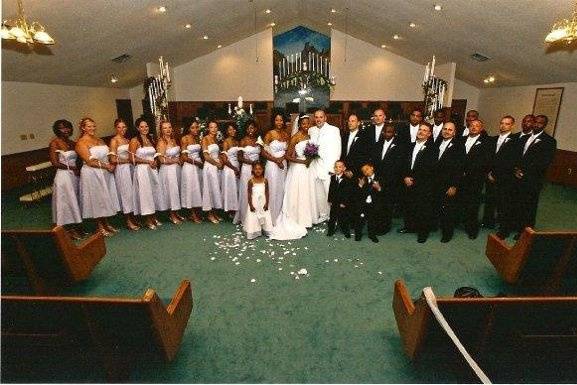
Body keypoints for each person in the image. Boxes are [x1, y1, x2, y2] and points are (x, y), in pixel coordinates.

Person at [499, 114, 557, 239]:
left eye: (540, 123)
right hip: (516, 178)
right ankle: (505, 229)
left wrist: (524, 172)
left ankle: (523, 233)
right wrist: (515, 169)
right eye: (535, 122)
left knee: (527, 207)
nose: (536, 124)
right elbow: (515, 156)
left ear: (544, 125)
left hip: (532, 180)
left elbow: (544, 162)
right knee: (511, 204)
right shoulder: (523, 138)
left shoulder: (549, 141)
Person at [269, 114, 314, 240]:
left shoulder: (309, 136)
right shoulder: (295, 137)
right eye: (303, 123)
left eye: (308, 123)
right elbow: (288, 156)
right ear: (299, 124)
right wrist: (302, 161)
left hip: (308, 168)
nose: (306, 125)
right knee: (296, 192)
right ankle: (295, 217)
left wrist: (310, 158)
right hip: (298, 168)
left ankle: (305, 218)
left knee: (305, 192)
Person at [75, 117, 120, 236]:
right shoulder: (81, 143)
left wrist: (112, 163)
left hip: (104, 172)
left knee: (104, 197)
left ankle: (106, 223)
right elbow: (89, 161)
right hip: (92, 173)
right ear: (83, 128)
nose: (92, 128)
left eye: (93, 126)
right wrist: (107, 166)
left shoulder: (99, 140)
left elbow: (109, 153)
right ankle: (99, 226)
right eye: (89, 126)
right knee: (96, 199)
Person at [399, 123, 439, 243]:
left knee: (423, 209)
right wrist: (405, 176)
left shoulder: (433, 148)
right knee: (409, 205)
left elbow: (429, 168)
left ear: (429, 134)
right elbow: (403, 163)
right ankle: (409, 227)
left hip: (423, 183)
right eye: (420, 129)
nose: (421, 132)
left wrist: (414, 179)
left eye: (424, 130)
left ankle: (423, 233)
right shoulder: (409, 146)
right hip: (407, 181)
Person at [49, 119, 84, 239]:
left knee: (75, 200)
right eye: (62, 128)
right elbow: (55, 163)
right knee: (65, 202)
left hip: (74, 176)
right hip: (63, 176)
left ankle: (76, 227)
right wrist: (72, 168)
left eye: (67, 127)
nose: (66, 130)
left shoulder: (72, 142)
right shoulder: (55, 143)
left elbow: (80, 154)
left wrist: (77, 169)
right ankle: (67, 230)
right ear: (57, 130)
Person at [482, 115, 517, 229]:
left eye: (507, 124)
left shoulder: (515, 142)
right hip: (490, 175)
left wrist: (497, 175)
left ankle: (503, 225)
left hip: (504, 177)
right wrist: (489, 173)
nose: (503, 126)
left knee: (503, 202)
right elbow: (488, 158)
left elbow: (511, 162)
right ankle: (488, 222)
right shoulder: (492, 139)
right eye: (502, 123)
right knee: (489, 199)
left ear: (512, 125)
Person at [308, 109, 342, 224]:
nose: (318, 119)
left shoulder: (334, 130)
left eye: (321, 117)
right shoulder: (311, 130)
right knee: (319, 194)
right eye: (316, 117)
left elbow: (337, 149)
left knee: (331, 194)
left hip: (328, 167)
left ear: (325, 118)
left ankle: (334, 217)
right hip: (315, 167)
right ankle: (323, 214)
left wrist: (334, 169)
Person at [459, 119, 490, 239]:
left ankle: (472, 229)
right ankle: (460, 221)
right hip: (460, 177)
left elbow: (484, 161)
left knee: (473, 204)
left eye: (477, 126)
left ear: (481, 128)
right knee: (460, 201)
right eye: (472, 125)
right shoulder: (461, 140)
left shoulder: (486, 142)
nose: (474, 128)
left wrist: (468, 171)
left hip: (474, 178)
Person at [434, 122, 465, 243]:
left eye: (450, 130)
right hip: (436, 182)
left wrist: (454, 185)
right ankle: (436, 226)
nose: (446, 131)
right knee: (437, 206)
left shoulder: (459, 146)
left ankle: (447, 233)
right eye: (445, 129)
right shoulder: (437, 142)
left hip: (449, 183)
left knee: (448, 210)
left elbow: (460, 168)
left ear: (454, 132)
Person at [372, 123, 404, 234]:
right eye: (385, 131)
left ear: (394, 133)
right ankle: (376, 225)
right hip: (377, 180)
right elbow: (374, 163)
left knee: (387, 205)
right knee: (377, 204)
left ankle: (385, 227)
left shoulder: (399, 146)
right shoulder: (377, 144)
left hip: (390, 181)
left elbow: (398, 166)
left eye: (389, 132)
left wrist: (385, 182)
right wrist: (375, 179)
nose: (386, 134)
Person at [130, 117, 162, 230]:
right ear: (137, 128)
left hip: (152, 169)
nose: (145, 128)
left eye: (146, 126)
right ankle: (147, 219)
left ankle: (153, 216)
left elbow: (155, 154)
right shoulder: (134, 141)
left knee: (153, 191)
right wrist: (147, 161)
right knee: (145, 194)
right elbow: (132, 158)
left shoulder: (151, 139)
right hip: (142, 170)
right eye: (142, 126)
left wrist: (156, 161)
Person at [109, 118, 140, 231]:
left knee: (132, 192)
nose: (122, 129)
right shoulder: (114, 140)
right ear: (115, 128)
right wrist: (127, 161)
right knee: (125, 193)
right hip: (122, 170)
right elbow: (112, 159)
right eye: (119, 127)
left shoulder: (128, 140)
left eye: (124, 127)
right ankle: (127, 220)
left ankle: (132, 216)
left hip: (131, 168)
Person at [262, 113, 289, 224]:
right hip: (272, 165)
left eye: (281, 120)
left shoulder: (286, 134)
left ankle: (280, 215)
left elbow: (287, 151)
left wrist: (282, 159)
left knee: (282, 189)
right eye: (277, 120)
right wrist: (276, 160)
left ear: (283, 121)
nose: (279, 122)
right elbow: (263, 152)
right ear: (274, 121)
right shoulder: (269, 134)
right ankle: (270, 217)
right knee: (272, 189)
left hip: (283, 165)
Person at [234, 120, 261, 224]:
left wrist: (257, 164)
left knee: (257, 191)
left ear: (255, 129)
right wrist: (250, 162)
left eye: (253, 128)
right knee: (247, 191)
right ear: (246, 129)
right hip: (247, 169)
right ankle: (245, 216)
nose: (251, 130)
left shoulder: (258, 140)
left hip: (257, 170)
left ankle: (256, 215)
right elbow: (239, 157)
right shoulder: (243, 141)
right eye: (249, 128)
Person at [157, 120, 184, 224]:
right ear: (161, 130)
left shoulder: (174, 140)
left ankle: (176, 212)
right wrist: (175, 160)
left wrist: (179, 160)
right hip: (168, 171)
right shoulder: (161, 142)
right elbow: (161, 160)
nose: (168, 130)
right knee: (171, 192)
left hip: (176, 169)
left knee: (176, 190)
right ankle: (172, 215)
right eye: (165, 128)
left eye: (169, 127)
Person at [180, 118, 203, 223]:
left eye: (196, 127)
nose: (195, 129)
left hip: (198, 166)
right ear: (188, 129)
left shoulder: (197, 138)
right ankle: (192, 214)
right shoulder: (185, 139)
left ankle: (198, 212)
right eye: (192, 127)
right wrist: (197, 163)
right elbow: (184, 157)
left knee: (198, 188)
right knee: (191, 189)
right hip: (190, 167)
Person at [243, 162, 273, 239]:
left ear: (263, 170)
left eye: (260, 169)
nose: (258, 171)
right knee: (254, 216)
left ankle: (266, 229)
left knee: (265, 215)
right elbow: (249, 194)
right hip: (254, 203)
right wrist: (251, 205)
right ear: (253, 170)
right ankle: (254, 231)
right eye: (256, 169)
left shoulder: (265, 180)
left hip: (263, 202)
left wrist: (267, 203)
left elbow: (267, 192)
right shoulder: (251, 181)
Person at [201, 120, 224, 223]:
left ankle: (214, 212)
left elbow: (217, 153)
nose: (214, 129)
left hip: (216, 167)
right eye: (211, 127)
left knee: (215, 189)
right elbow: (206, 157)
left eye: (215, 127)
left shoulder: (215, 139)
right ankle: (209, 214)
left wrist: (221, 162)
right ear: (208, 128)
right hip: (210, 167)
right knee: (210, 189)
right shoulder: (205, 139)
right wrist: (217, 164)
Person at [355, 163, 383, 243]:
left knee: (372, 220)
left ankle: (372, 235)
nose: (365, 172)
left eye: (367, 169)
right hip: (363, 204)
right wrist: (360, 185)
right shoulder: (363, 179)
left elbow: (384, 194)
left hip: (374, 204)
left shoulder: (380, 178)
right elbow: (358, 194)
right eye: (363, 171)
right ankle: (358, 234)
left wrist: (379, 188)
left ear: (372, 168)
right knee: (360, 219)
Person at [327, 160, 353, 238]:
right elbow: (331, 189)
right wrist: (330, 199)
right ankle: (330, 230)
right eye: (336, 167)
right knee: (332, 217)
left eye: (340, 167)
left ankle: (345, 231)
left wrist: (344, 202)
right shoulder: (332, 177)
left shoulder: (347, 179)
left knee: (343, 217)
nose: (337, 168)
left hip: (342, 202)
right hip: (334, 201)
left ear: (344, 168)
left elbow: (347, 192)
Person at [221, 123, 240, 219]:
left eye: (234, 129)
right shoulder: (226, 142)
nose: (232, 131)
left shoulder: (236, 141)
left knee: (236, 189)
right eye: (230, 130)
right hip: (229, 168)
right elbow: (224, 159)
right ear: (227, 131)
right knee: (230, 189)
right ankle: (229, 210)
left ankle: (236, 209)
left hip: (237, 166)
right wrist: (234, 168)